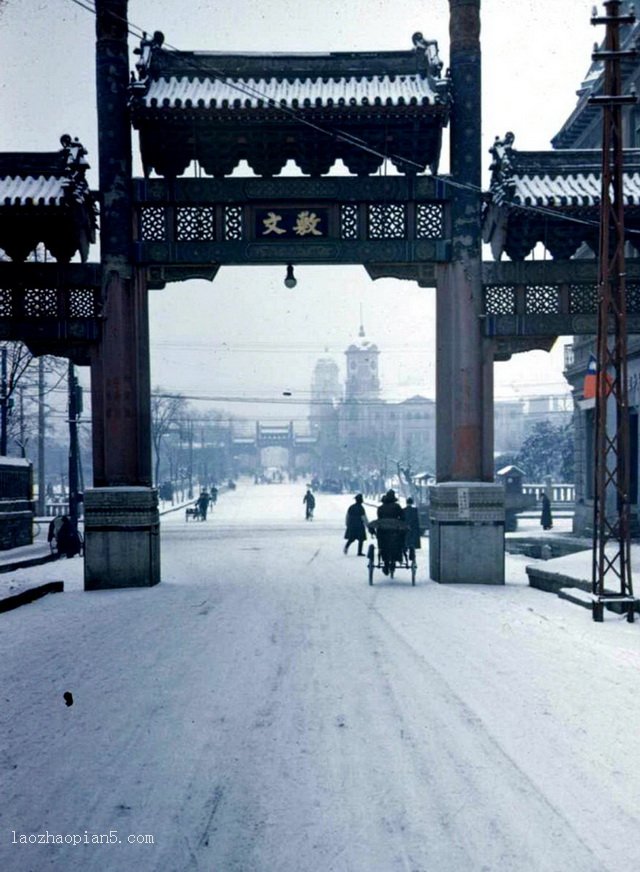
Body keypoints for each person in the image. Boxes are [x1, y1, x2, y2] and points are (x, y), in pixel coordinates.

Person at [372, 489, 406, 575]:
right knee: (398, 543)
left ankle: (386, 563)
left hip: (383, 532)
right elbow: (402, 517)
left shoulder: (380, 508)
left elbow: (379, 518)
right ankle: (394, 561)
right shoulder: (397, 507)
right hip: (395, 532)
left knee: (383, 547)